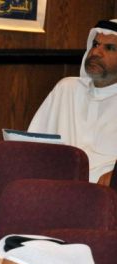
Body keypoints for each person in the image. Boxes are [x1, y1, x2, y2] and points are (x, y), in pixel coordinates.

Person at [29, 19, 117, 184]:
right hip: (58, 185)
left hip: (105, 192)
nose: (96, 52)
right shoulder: (67, 88)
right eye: (95, 44)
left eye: (110, 48)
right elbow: (32, 144)